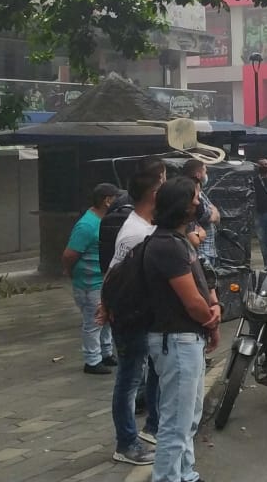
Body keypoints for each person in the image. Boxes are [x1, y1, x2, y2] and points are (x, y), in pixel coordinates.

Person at [143, 176, 221, 482]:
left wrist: (209, 318)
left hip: (186, 338)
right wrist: (211, 317)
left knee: (188, 418)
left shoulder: (177, 241)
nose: (199, 202)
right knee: (176, 422)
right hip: (175, 340)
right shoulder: (167, 246)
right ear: (181, 204)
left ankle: (186, 473)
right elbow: (191, 301)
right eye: (195, 197)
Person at [107, 170, 162, 467]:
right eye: (163, 183)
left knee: (151, 371)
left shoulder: (147, 227)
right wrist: (106, 306)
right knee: (128, 381)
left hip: (144, 317)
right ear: (154, 194)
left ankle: (152, 427)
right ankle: (126, 442)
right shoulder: (135, 233)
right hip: (131, 319)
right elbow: (115, 274)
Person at [63, 183, 120, 375]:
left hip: (102, 281)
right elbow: (69, 254)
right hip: (90, 283)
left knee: (106, 320)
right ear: (107, 200)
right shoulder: (87, 225)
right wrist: (72, 273)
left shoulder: (103, 221)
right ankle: (92, 360)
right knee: (94, 321)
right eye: (115, 198)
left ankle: (106, 353)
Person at [181, 159, 220, 266]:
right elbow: (208, 217)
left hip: (209, 251)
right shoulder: (189, 196)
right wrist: (214, 213)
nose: (197, 202)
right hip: (201, 254)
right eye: (205, 171)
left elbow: (215, 216)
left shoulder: (201, 193)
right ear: (198, 175)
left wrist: (215, 213)